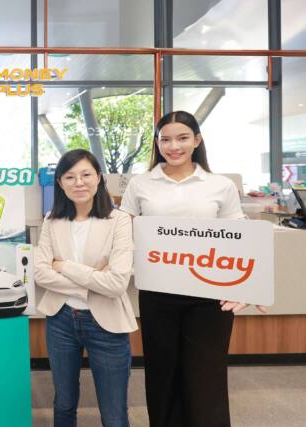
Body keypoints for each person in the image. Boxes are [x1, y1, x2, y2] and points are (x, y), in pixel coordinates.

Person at [120, 110, 263, 427]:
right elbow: (123, 232)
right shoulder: (141, 184)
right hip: (158, 292)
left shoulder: (220, 185)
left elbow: (239, 239)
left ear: (197, 140)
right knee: (162, 373)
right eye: (165, 140)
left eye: (182, 138)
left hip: (210, 294)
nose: (174, 146)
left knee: (205, 377)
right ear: (157, 143)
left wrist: (249, 286)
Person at [35, 149, 136, 427]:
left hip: (107, 323)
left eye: (86, 175)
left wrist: (64, 266)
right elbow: (40, 273)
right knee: (64, 404)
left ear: (99, 177)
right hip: (61, 319)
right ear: (60, 183)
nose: (78, 182)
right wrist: (91, 281)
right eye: (70, 177)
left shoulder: (119, 220)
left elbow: (116, 283)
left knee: (114, 413)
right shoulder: (52, 220)